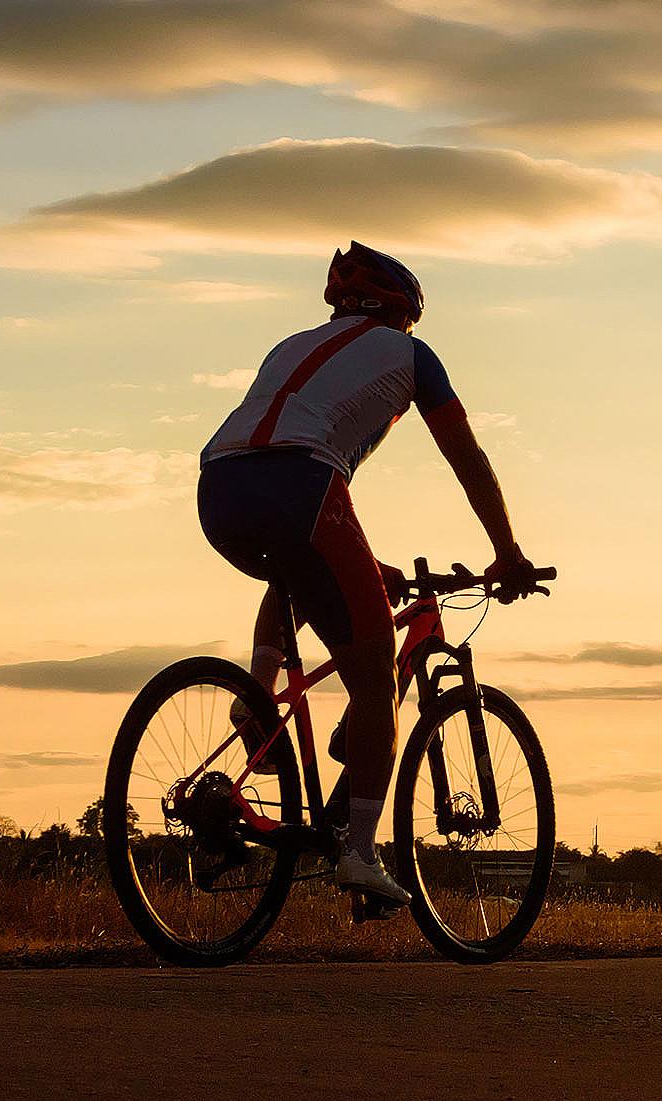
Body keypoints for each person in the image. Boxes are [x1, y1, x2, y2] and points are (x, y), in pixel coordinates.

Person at [196, 242, 532, 905]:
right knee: (377, 678)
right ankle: (359, 853)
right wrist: (507, 550)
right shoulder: (411, 355)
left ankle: (256, 696)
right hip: (302, 483)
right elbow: (468, 455)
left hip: (218, 485)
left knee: (292, 567)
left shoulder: (290, 345)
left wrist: (367, 565)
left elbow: (286, 480)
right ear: (403, 312)